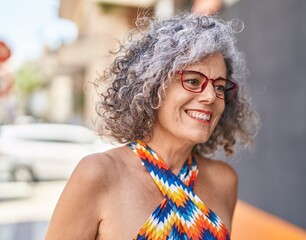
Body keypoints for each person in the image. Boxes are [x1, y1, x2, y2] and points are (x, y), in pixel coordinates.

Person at [45, 12, 258, 240]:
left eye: (219, 86)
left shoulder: (223, 180)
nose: (210, 96)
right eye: (193, 81)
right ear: (153, 86)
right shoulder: (98, 174)